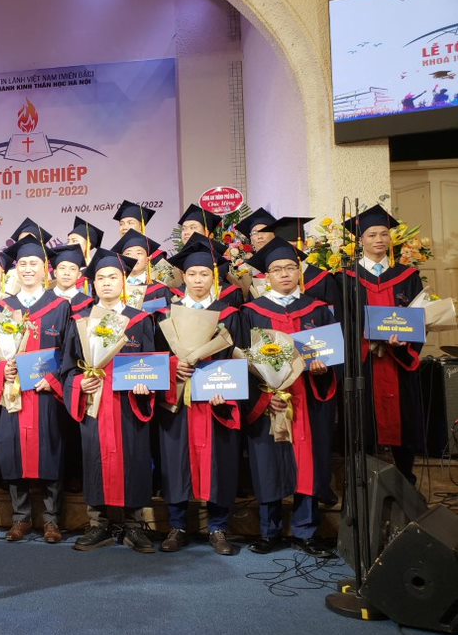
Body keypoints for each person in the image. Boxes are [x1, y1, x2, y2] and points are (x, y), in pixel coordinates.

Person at [240, 238, 338, 557]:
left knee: (307, 462)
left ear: (299, 272)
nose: (284, 274)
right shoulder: (252, 313)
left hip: (307, 400)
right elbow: (242, 360)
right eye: (277, 269)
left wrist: (324, 371)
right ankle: (269, 531)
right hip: (269, 401)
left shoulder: (318, 311)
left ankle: (306, 530)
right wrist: (266, 393)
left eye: (290, 268)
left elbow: (333, 355)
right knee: (268, 462)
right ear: (266, 276)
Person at [62, 249, 158, 553]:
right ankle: (98, 524)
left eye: (112, 277)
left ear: (124, 280)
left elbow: (153, 364)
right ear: (92, 283)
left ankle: (134, 524)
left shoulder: (140, 321)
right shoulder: (80, 321)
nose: (106, 283)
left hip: (129, 405)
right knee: (94, 459)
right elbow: (67, 367)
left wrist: (148, 386)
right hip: (96, 405)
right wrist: (80, 382)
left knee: (134, 458)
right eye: (100, 277)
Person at [157, 237, 245, 555]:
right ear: (183, 277)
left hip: (215, 401)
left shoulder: (230, 313)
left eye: (204, 274)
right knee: (176, 460)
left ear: (214, 277)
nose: (197, 280)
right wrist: (173, 368)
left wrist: (228, 389)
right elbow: (156, 355)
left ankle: (219, 527)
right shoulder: (168, 314)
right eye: (192, 274)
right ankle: (178, 525)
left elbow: (240, 357)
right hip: (179, 400)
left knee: (220, 461)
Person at [0, 237, 71, 544]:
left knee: (51, 451)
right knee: (12, 452)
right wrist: (3, 369)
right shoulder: (3, 308)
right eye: (22, 264)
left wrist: (52, 380)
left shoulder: (59, 307)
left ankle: (52, 520)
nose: (27, 269)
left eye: (34, 264)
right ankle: (21, 518)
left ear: (45, 270)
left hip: (45, 394)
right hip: (14, 394)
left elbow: (69, 352)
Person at [341, 204, 424, 484]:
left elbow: (418, 317)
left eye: (384, 234)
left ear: (391, 239)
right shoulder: (346, 278)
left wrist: (404, 343)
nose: (379, 239)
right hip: (364, 366)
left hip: (398, 362)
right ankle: (365, 484)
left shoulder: (408, 277)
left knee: (404, 421)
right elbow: (344, 323)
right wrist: (366, 343)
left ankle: (406, 482)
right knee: (364, 425)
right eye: (372, 234)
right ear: (360, 240)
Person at [260, 216, 342, 313]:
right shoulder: (269, 279)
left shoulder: (323, 280)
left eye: (294, 246)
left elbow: (334, 317)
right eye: (283, 246)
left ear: (305, 245)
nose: (288, 251)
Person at [111, 230, 171, 310]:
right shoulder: (113, 289)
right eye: (128, 254)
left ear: (148, 259)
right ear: (121, 260)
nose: (134, 257)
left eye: (139, 253)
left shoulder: (160, 290)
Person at [48, 245, 93, 315]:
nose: (67, 273)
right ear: (55, 273)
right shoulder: (42, 299)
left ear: (79, 275)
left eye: (72, 269)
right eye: (62, 268)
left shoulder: (88, 303)